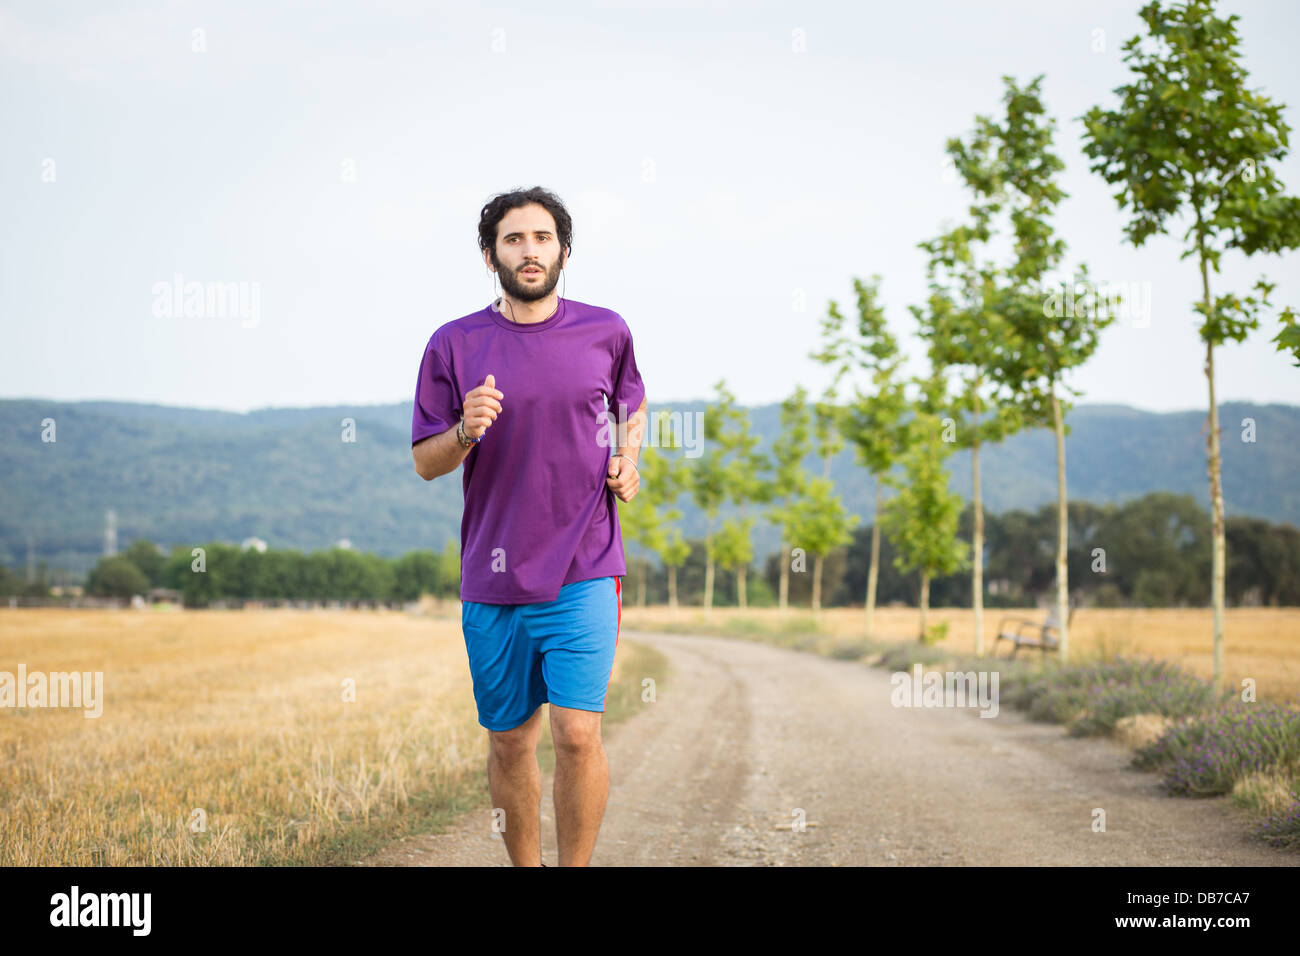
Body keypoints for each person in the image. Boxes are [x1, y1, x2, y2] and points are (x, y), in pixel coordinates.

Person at [410, 186, 647, 867]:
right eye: (514, 239)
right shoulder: (454, 344)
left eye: (542, 238)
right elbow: (427, 462)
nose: (530, 250)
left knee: (576, 734)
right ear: (491, 255)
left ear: (564, 251)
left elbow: (631, 402)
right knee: (511, 741)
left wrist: (628, 459)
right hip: (494, 578)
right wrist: (464, 430)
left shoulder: (606, 330)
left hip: (585, 565)